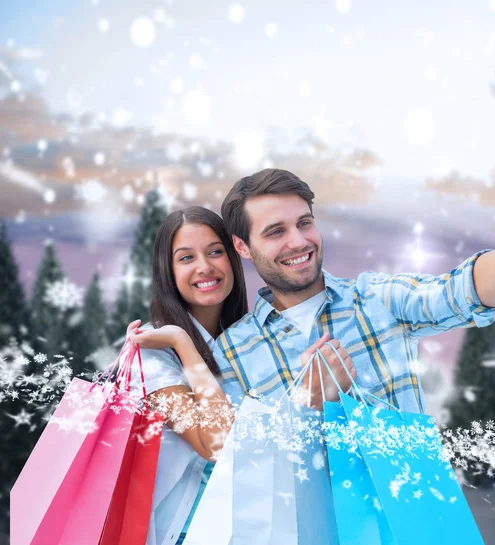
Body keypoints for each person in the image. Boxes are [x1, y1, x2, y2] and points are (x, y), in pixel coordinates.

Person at [214, 168, 495, 414]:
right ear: (243, 247)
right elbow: (236, 466)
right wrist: (305, 404)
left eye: (305, 223)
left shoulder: (376, 299)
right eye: (276, 231)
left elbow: (459, 292)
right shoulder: (230, 354)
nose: (299, 241)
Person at [125, 205, 354, 545]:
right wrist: (182, 342)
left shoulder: (248, 341)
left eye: (215, 251)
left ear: (234, 258)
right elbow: (215, 444)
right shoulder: (154, 351)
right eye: (186, 258)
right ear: (167, 271)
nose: (205, 267)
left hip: (255, 527)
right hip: (184, 532)